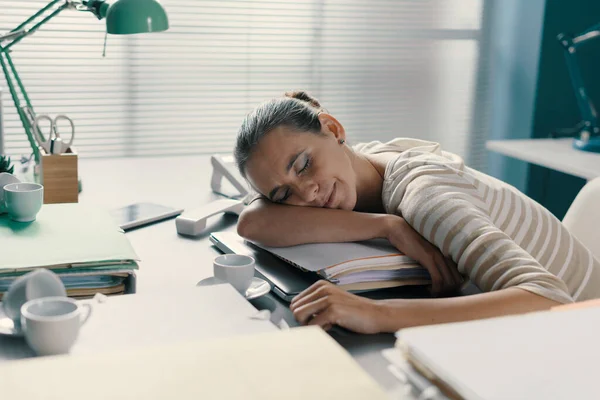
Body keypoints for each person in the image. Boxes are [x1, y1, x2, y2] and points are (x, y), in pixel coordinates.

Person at [233, 91, 600, 334]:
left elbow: (548, 300)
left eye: (303, 164)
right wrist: (387, 226)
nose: (308, 193)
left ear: (333, 128)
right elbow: (252, 221)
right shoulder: (364, 162)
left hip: (582, 333)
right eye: (284, 194)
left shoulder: (425, 197)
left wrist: (377, 314)